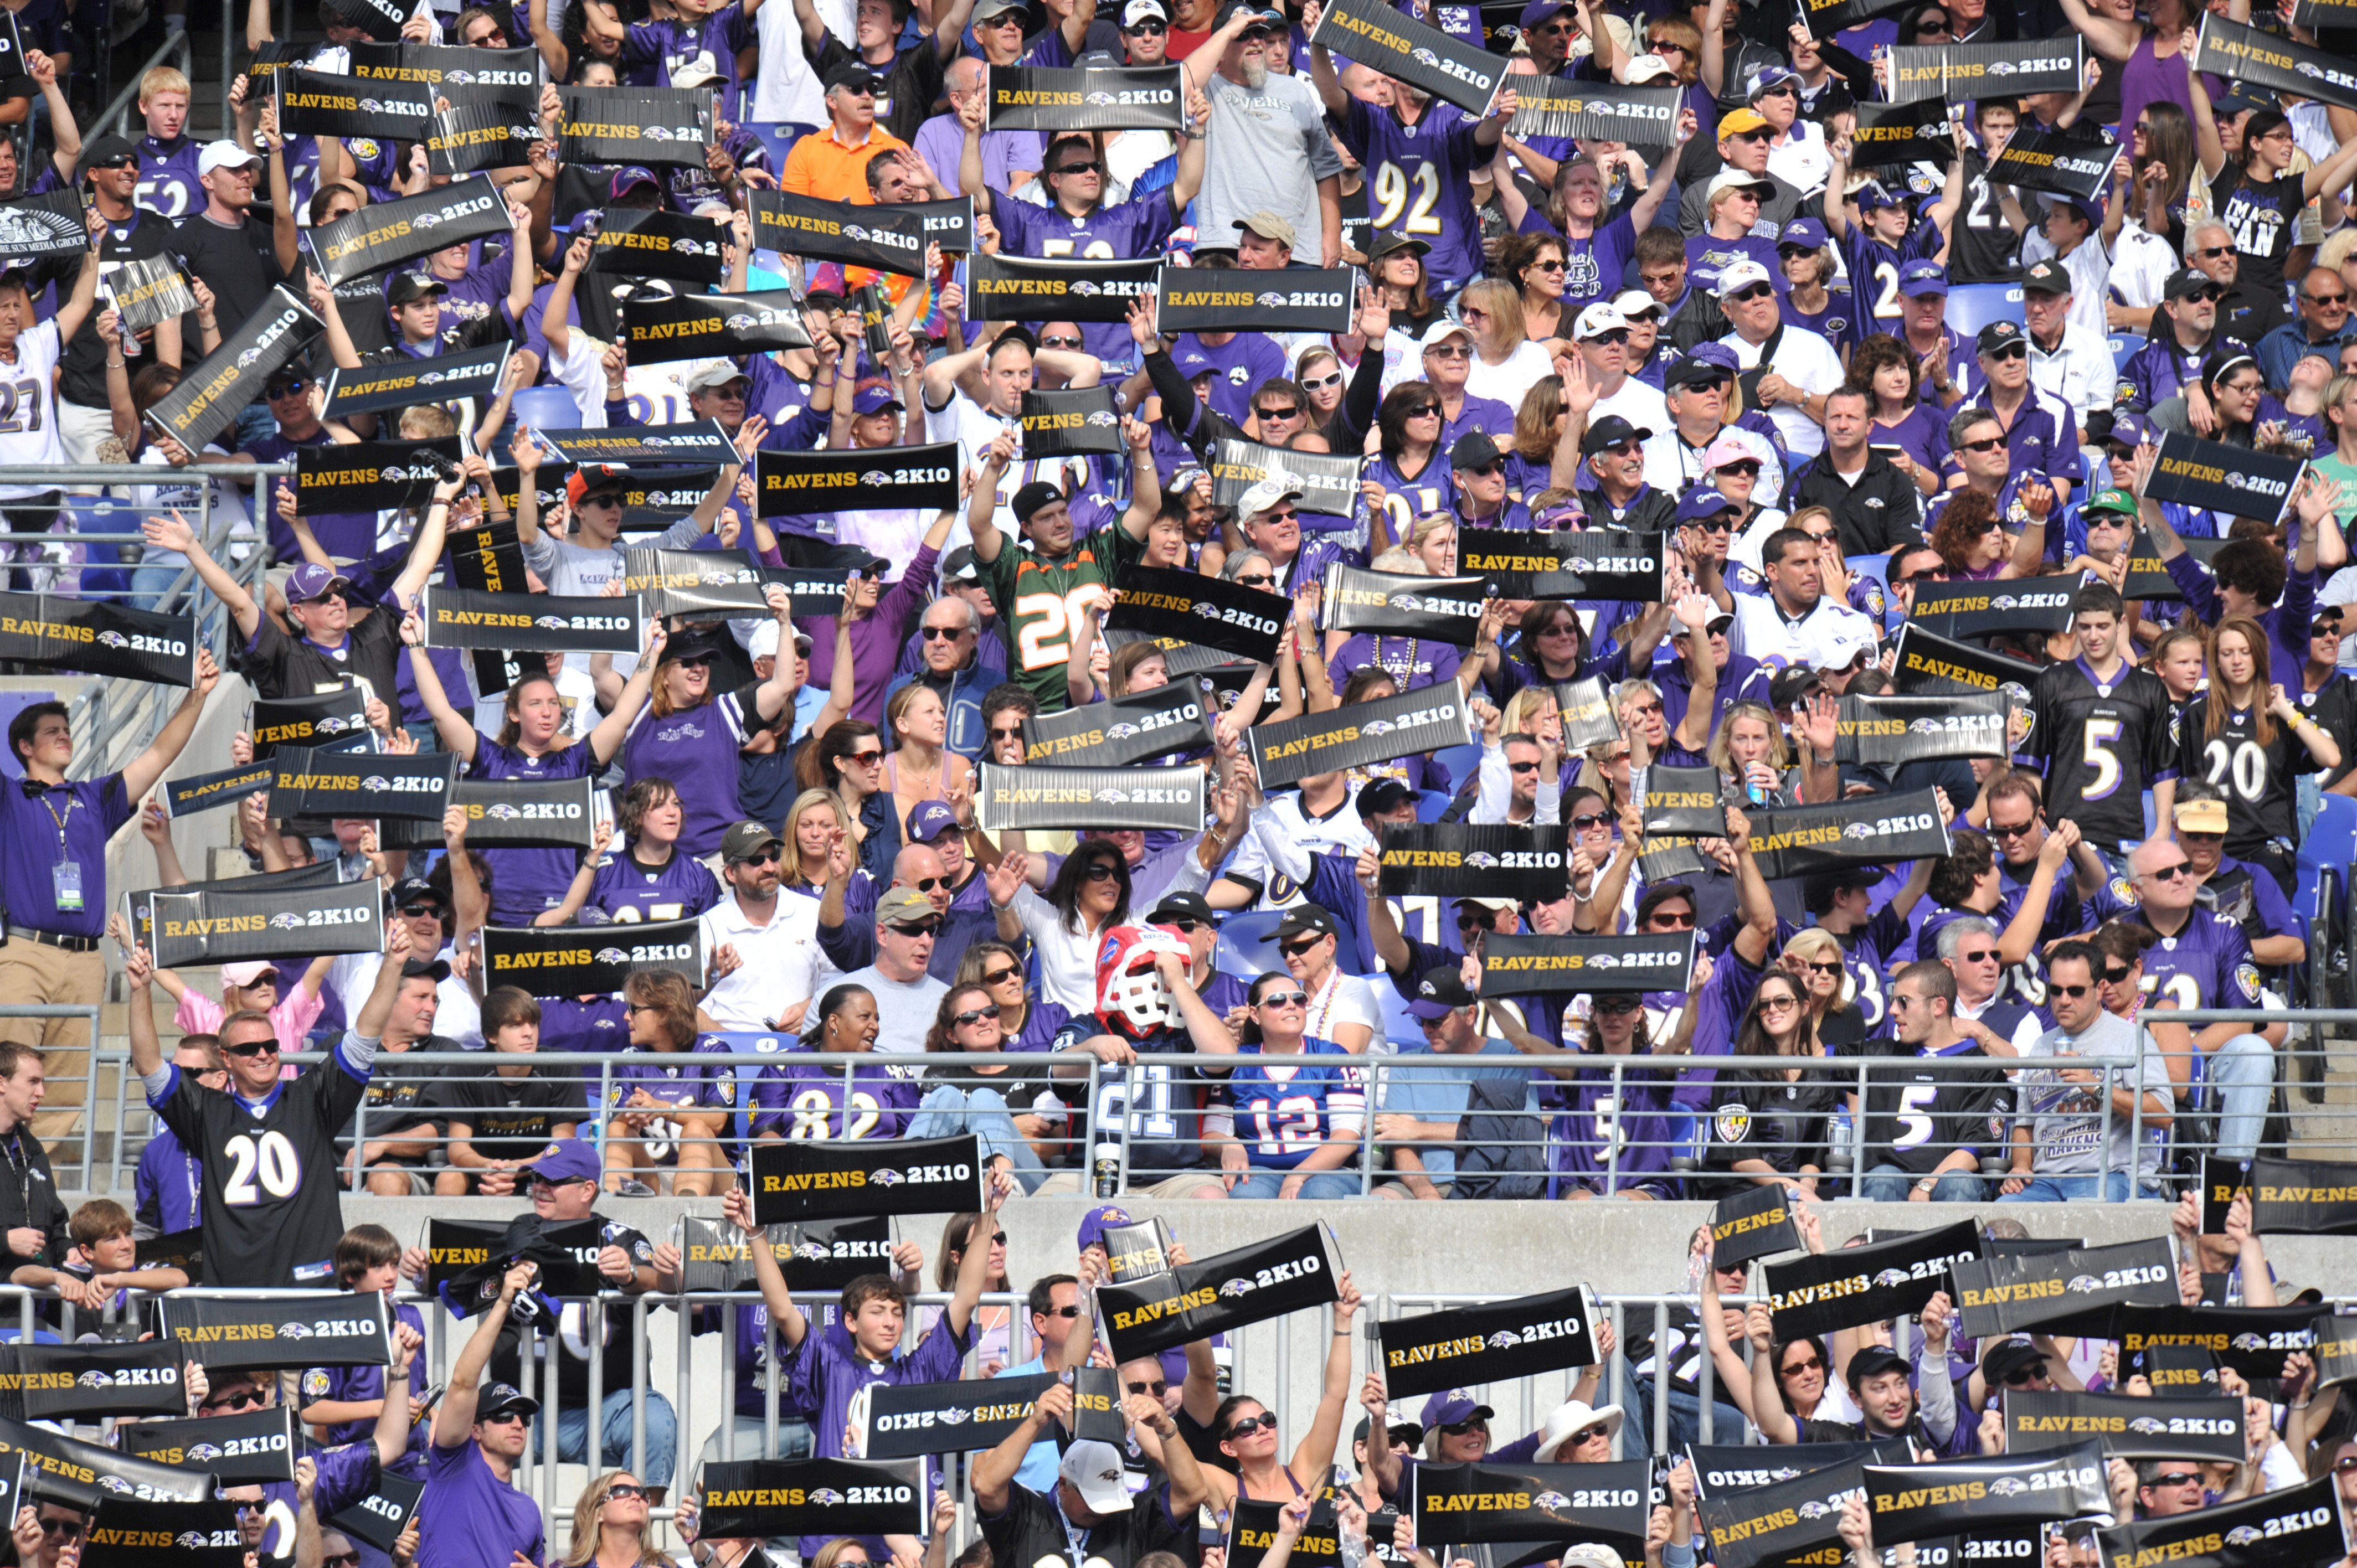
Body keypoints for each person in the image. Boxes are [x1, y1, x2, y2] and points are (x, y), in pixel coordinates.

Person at [123, 914, 409, 1288]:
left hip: (311, 1283)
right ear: (226, 1059)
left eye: (270, 1045)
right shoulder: (208, 1113)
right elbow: (148, 1065)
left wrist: (393, 964)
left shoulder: (312, 1099)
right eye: (248, 1048)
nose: (263, 1054)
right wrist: (140, 991)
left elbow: (365, 1035)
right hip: (236, 1288)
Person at [0, 659, 214, 1142]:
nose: (64, 736)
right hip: (23, 953)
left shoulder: (93, 798)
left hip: (85, 960)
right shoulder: (9, 798)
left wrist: (196, 697)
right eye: (51, 731)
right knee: (10, 1071)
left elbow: (159, 753)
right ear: (25, 747)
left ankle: (40, 1185)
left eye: (67, 730)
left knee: (63, 1089)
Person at [1999, 938, 2173, 1202]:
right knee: (2000, 1217)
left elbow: (2163, 1114)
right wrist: (2021, 1165)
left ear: (2100, 989)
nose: (2064, 1000)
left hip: (2110, 1175)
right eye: (2056, 990)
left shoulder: (2130, 1039)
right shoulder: (2041, 1046)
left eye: (2076, 991)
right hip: (2046, 1181)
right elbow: (2025, 1125)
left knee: (2089, 1217)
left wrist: (2098, 1088)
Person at [420, 1258, 548, 1568]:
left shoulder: (529, 1510)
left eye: (523, 1418)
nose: (517, 1423)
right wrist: (503, 1304)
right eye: (503, 1416)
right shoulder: (454, 1464)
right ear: (475, 1429)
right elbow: (464, 1382)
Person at [1853, 961, 2009, 1203]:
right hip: (1890, 1179)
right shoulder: (1882, 1052)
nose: (1893, 1010)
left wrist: (1927, 1184)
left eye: (1903, 1001)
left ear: (1938, 1006)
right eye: (1893, 1000)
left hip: (1948, 1183)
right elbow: (1816, 1056)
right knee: (1884, 1176)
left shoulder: (1980, 1066)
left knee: (1958, 1182)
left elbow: (1974, 1148)